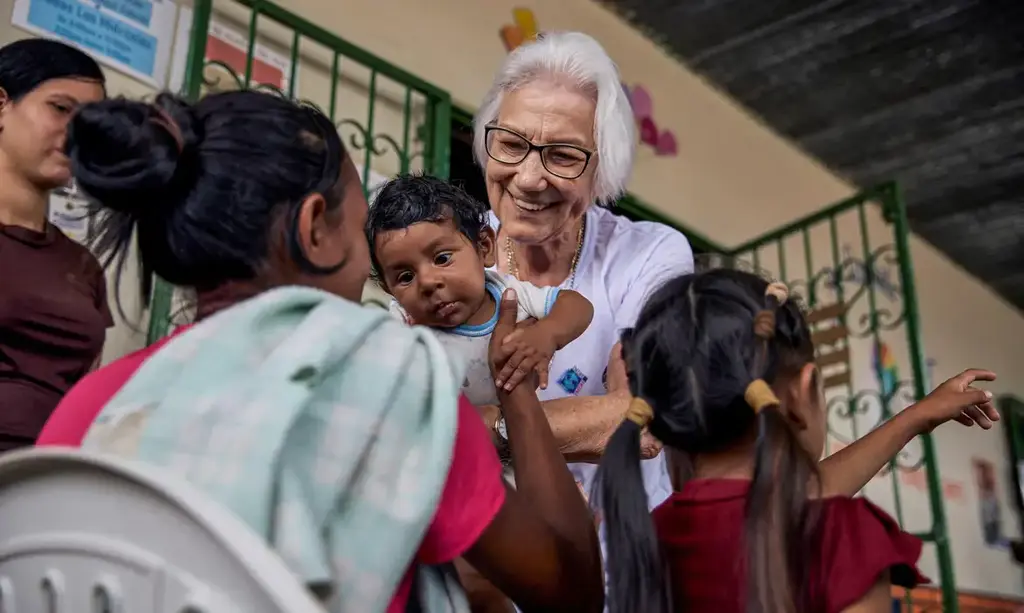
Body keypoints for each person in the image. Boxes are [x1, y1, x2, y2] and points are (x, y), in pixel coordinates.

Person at [36, 90, 604, 613]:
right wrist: (517, 389)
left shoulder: (91, 408)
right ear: (314, 229)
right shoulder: (389, 388)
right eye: (361, 238)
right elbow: (571, 594)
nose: (368, 273)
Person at [470, 30, 1001, 513]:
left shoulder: (647, 253)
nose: (530, 177)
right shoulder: (448, 248)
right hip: (482, 545)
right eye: (512, 144)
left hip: (621, 554)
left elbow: (642, 418)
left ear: (602, 165)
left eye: (563, 155)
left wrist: (482, 427)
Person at [597, 269, 999, 613]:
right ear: (802, 390)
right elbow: (790, 504)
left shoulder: (647, 533)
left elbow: (782, 499)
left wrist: (915, 416)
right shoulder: (841, 536)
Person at [367, 174, 594, 408]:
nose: (427, 282)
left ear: (484, 247)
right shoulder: (403, 323)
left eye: (442, 258)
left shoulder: (508, 294)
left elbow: (577, 305)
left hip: (509, 433)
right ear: (389, 288)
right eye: (405, 277)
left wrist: (547, 334)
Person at [0, 38, 109, 451]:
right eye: (61, 108)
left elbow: (85, 395)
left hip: (48, 484)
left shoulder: (83, 266)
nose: (75, 133)